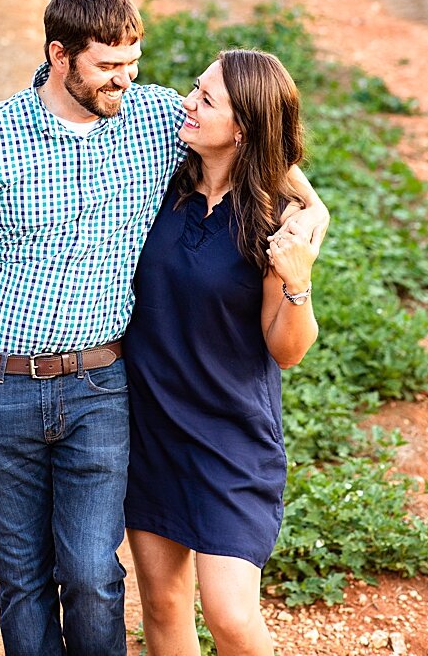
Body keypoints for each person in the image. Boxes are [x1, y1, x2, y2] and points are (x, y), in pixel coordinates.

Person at [0, 0, 325, 656]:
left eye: (133, 62)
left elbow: (277, 164)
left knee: (112, 581)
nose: (128, 80)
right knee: (55, 582)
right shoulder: (5, 141)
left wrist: (311, 226)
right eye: (109, 65)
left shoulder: (161, 124)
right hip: (65, 396)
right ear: (60, 56)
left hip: (152, 405)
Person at [124, 51, 320, 656]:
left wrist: (297, 283)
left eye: (207, 100)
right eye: (195, 88)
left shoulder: (274, 219)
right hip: (148, 422)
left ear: (243, 127)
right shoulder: (160, 175)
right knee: (160, 602)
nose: (189, 102)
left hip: (230, 435)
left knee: (232, 616)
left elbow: (286, 350)